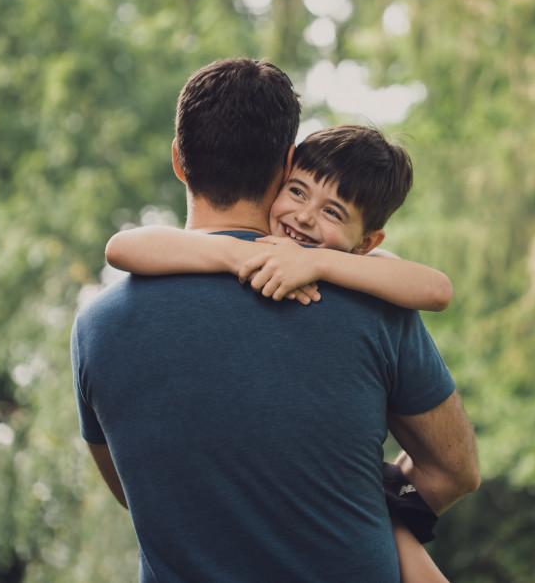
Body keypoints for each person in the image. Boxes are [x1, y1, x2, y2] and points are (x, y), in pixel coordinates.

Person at [70, 58, 479, 583]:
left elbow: (133, 492)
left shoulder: (96, 328)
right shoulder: (371, 305)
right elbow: (454, 471)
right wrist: (387, 522)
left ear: (178, 160)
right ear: (287, 164)